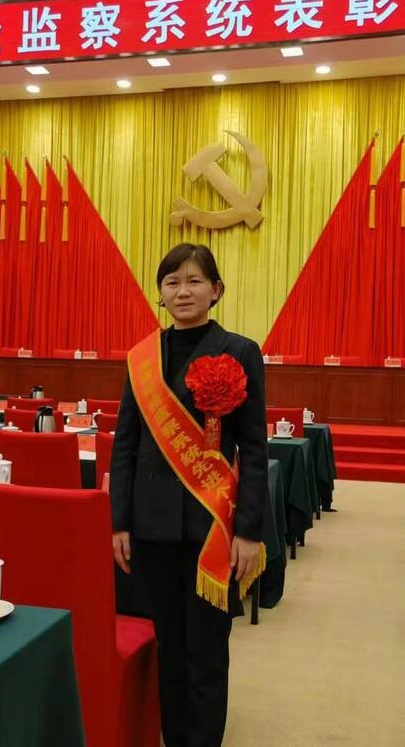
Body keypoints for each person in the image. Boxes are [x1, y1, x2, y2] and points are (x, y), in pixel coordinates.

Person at [110, 243, 268, 747]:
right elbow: (125, 444)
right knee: (169, 649)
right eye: (172, 282)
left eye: (195, 280)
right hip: (151, 527)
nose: (183, 291)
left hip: (211, 528)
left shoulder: (240, 351)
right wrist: (119, 522)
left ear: (216, 290)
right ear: (160, 292)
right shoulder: (142, 358)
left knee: (206, 653)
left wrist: (249, 531)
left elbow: (254, 449)